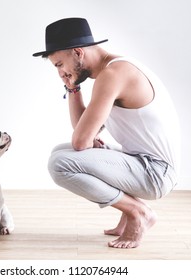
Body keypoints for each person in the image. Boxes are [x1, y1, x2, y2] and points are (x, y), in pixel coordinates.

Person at [33, 18, 180, 249]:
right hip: (145, 163)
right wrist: (72, 88)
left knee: (60, 164)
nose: (61, 72)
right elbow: (81, 130)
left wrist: (87, 140)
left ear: (78, 53)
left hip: (155, 173)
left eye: (60, 64)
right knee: (60, 152)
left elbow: (81, 141)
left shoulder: (112, 75)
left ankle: (138, 212)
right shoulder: (114, 69)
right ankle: (131, 210)